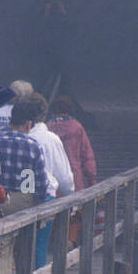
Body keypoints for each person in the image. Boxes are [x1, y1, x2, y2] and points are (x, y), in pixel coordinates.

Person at [0, 96, 50, 274]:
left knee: (2, 248)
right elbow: (41, 181)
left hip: (0, 199)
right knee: (25, 247)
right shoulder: (33, 145)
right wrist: (40, 201)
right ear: (28, 124)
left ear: (10, 121)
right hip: (25, 200)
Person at [24, 93, 74, 273]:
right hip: (45, 196)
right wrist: (70, 194)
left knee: (19, 243)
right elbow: (64, 177)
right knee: (40, 243)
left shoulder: (18, 136)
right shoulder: (50, 139)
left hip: (19, 195)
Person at [47, 96, 100, 247]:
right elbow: (87, 156)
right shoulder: (77, 127)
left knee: (51, 215)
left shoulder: (46, 128)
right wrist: (92, 180)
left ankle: (52, 243)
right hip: (74, 179)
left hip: (52, 180)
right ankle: (70, 242)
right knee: (75, 215)